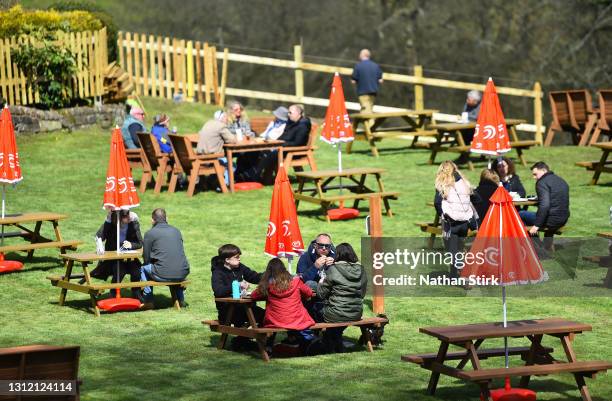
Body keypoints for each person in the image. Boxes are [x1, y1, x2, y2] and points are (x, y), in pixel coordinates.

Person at [251, 258, 315, 353]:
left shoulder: (268, 284)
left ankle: (269, 347)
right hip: (297, 319)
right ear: (284, 269)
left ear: (269, 271)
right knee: (295, 320)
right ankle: (303, 344)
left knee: (270, 321)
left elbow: (253, 295)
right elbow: (309, 293)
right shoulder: (296, 281)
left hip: (275, 320)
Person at [317, 243, 367, 353]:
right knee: (335, 325)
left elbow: (321, 294)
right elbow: (362, 293)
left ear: (337, 255)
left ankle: (322, 341)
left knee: (316, 309)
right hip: (356, 313)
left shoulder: (333, 269)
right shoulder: (361, 269)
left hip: (335, 314)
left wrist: (320, 283)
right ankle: (335, 341)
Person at [140, 208, 190, 310]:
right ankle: (180, 300)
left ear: (152, 220)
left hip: (162, 273)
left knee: (143, 268)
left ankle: (148, 300)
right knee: (173, 267)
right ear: (167, 218)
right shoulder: (176, 231)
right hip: (183, 272)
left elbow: (145, 257)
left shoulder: (150, 233)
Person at [434, 161, 476, 278]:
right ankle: (454, 275)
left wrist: (442, 215)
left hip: (451, 223)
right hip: (465, 222)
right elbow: (476, 198)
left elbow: (437, 203)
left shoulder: (442, 184)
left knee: (452, 251)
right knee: (459, 248)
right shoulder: (464, 183)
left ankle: (463, 274)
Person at [88, 210, 143, 298]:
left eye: (128, 214)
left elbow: (140, 243)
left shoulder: (133, 222)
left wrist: (131, 245)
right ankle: (113, 293)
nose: (128, 218)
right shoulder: (111, 222)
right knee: (120, 269)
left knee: (137, 270)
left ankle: (136, 292)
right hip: (112, 259)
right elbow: (99, 236)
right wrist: (107, 221)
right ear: (119, 217)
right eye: (125, 216)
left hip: (128, 257)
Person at [210, 244, 264, 327]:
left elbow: (254, 277)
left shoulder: (239, 267)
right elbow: (218, 291)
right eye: (237, 257)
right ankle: (243, 338)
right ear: (227, 260)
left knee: (266, 315)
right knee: (261, 315)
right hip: (228, 311)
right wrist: (237, 285)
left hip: (243, 307)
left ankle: (255, 338)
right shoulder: (218, 272)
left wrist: (270, 275)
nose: (239, 259)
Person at [257, 104, 312, 184]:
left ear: (298, 113)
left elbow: (298, 143)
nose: (288, 114)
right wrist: (275, 142)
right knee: (265, 151)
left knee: (271, 154)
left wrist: (281, 145)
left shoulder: (303, 125)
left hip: (295, 151)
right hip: (285, 149)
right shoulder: (291, 122)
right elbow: (284, 136)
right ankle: (263, 178)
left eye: (290, 112)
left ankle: (258, 176)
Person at [520, 162, 570, 241]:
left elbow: (545, 205)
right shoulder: (561, 180)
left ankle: (535, 245)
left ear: (544, 170)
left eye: (535, 174)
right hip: (563, 219)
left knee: (520, 214)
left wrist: (536, 225)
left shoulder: (541, 183)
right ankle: (546, 245)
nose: (534, 177)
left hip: (551, 220)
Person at [196, 110, 236, 185]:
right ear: (222, 118)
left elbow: (200, 133)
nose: (227, 119)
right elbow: (232, 140)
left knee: (224, 161)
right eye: (225, 117)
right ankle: (224, 184)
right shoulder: (221, 126)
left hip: (201, 156)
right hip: (212, 157)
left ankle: (213, 182)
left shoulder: (208, 123)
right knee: (232, 165)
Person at [351, 49, 383, 113]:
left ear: (362, 55)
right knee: (369, 109)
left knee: (366, 112)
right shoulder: (376, 66)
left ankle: (371, 123)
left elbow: (353, 81)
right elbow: (381, 80)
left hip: (363, 92)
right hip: (373, 92)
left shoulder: (358, 66)